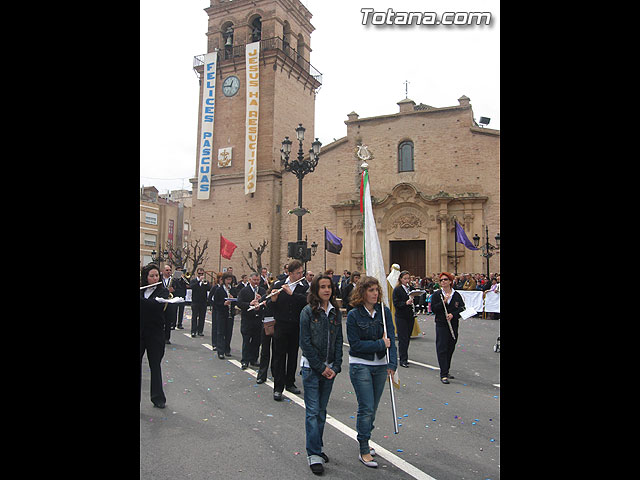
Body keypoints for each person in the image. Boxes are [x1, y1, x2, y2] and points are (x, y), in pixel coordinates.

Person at [346, 275, 397, 468]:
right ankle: (364, 447)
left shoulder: (384, 312)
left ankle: (366, 438)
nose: (375, 294)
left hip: (381, 366)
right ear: (362, 292)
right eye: (371, 290)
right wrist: (379, 344)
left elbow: (391, 338)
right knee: (366, 407)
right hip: (361, 365)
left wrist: (392, 364)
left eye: (377, 290)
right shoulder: (354, 315)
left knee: (372, 408)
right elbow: (356, 345)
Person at [299, 274, 343, 475]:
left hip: (329, 369)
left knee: (322, 412)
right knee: (313, 411)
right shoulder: (308, 312)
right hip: (311, 369)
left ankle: (317, 446)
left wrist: (336, 366)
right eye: (322, 287)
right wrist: (320, 366)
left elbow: (339, 340)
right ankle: (314, 453)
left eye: (329, 287)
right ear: (316, 290)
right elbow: (305, 342)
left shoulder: (335, 313)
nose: (326, 290)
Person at [268, 259, 309, 400]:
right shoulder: (279, 284)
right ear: (290, 273)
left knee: (292, 355)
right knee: (279, 356)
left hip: (296, 325)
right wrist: (273, 300)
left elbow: (306, 302)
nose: (300, 275)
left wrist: (292, 294)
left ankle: (290, 382)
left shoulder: (303, 287)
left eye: (301, 272)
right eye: (298, 273)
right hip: (281, 325)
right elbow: (271, 307)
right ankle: (278, 388)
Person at [140, 263, 170, 408]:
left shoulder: (163, 292)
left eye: (156, 275)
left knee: (155, 365)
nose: (154, 278)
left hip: (155, 334)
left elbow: (155, 306)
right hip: (141, 333)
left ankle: (158, 398)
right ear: (146, 278)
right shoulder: (141, 291)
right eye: (151, 276)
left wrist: (143, 302)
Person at [430, 271, 465, 384]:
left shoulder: (456, 295)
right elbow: (434, 309)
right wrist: (443, 303)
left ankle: (446, 369)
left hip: (453, 324)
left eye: (445, 280)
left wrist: (453, 315)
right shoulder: (437, 295)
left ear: (450, 281)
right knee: (442, 348)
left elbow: (462, 308)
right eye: (441, 280)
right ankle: (443, 374)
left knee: (450, 347)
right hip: (441, 324)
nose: (443, 282)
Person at [236, 272, 267, 369]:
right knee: (246, 340)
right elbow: (239, 303)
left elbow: (266, 301)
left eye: (258, 280)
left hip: (258, 319)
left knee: (257, 341)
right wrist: (250, 304)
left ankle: (254, 359)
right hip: (247, 319)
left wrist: (260, 302)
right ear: (250, 280)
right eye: (254, 280)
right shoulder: (244, 291)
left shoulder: (262, 290)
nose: (256, 282)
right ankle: (245, 360)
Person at [392, 270, 414, 368]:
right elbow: (396, 303)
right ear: (400, 279)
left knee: (408, 337)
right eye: (405, 278)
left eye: (408, 278)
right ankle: (402, 359)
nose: (407, 280)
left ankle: (405, 357)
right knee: (403, 338)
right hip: (401, 316)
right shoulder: (397, 290)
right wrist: (405, 303)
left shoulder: (411, 289)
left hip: (410, 315)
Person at [213, 272, 237, 358]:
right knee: (221, 332)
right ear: (223, 280)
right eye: (227, 279)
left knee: (228, 332)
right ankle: (220, 351)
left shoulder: (233, 289)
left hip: (230, 314)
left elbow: (237, 300)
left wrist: (233, 299)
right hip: (221, 313)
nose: (229, 281)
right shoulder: (219, 290)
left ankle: (227, 349)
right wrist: (223, 303)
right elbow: (215, 302)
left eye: (230, 279)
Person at [189, 268, 211, 338]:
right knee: (194, 317)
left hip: (203, 302)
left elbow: (209, 288)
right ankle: (193, 331)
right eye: (199, 274)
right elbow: (192, 287)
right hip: (195, 301)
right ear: (197, 274)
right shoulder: (194, 281)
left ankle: (200, 331)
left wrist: (205, 283)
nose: (200, 275)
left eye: (202, 274)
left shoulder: (205, 282)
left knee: (202, 317)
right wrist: (199, 281)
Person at [161, 264, 176, 344]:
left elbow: (178, 288)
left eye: (170, 270)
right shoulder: (160, 280)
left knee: (168, 321)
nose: (169, 272)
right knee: (160, 320)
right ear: (163, 271)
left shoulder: (173, 280)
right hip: (162, 302)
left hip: (170, 302)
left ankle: (167, 338)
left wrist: (173, 289)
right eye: (167, 270)